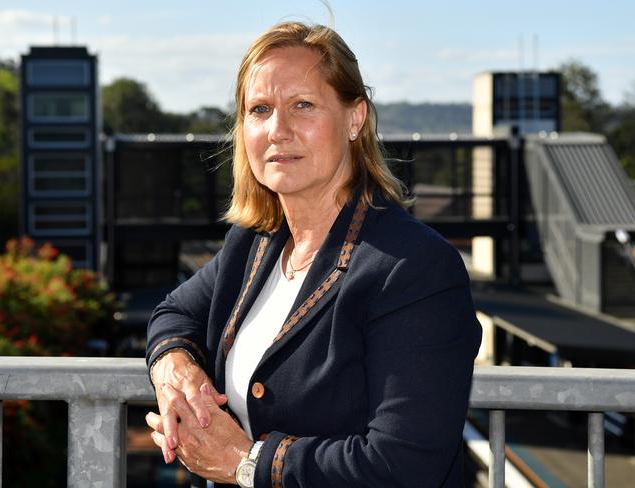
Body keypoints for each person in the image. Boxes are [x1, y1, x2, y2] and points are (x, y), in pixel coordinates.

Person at [145, 21, 481, 488]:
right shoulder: (255, 243)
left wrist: (246, 462)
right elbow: (173, 313)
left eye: (302, 105)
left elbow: (404, 466)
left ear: (354, 118)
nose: (278, 130)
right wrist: (173, 369)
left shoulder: (413, 268)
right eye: (259, 109)